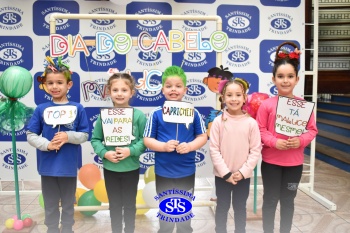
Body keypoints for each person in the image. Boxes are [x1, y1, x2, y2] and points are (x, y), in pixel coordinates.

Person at [255, 42, 318, 233]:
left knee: (288, 200)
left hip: (294, 164)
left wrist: (300, 140)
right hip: (271, 162)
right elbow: (260, 130)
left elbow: (312, 130)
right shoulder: (267, 105)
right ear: (273, 79)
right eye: (280, 76)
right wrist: (275, 142)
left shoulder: (304, 106)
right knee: (270, 199)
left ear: (297, 79)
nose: (285, 80)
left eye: (290, 76)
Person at [27, 57, 89, 233]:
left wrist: (68, 136)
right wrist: (47, 145)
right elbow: (31, 135)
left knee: (69, 203)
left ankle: (68, 228)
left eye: (59, 82)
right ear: (45, 85)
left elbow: (84, 135)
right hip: (47, 167)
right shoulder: (41, 109)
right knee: (51, 203)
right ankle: (52, 229)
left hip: (68, 167)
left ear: (68, 85)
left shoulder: (78, 108)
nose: (55, 86)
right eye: (50, 83)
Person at [143, 65, 207, 233]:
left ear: (185, 89)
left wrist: (191, 146)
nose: (173, 90)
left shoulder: (194, 113)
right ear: (162, 89)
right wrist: (163, 146)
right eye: (169, 86)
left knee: (184, 212)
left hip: (186, 171)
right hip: (164, 172)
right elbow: (147, 139)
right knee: (165, 214)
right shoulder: (156, 114)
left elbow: (203, 137)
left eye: (178, 86)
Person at [90, 72, 147, 233]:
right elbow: (95, 139)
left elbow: (145, 140)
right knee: (114, 204)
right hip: (110, 169)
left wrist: (131, 150)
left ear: (131, 93)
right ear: (109, 91)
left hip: (131, 168)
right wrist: (104, 153)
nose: (120, 94)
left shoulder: (138, 116)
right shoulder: (104, 117)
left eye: (124, 90)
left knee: (129, 204)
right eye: (115, 90)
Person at [209, 77, 261, 233]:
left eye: (238, 95)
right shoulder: (218, 122)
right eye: (229, 95)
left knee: (240, 208)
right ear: (223, 98)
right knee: (222, 207)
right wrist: (226, 173)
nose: (234, 99)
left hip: (242, 177)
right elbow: (214, 149)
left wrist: (243, 172)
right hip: (222, 176)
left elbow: (255, 150)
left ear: (245, 98)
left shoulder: (251, 123)